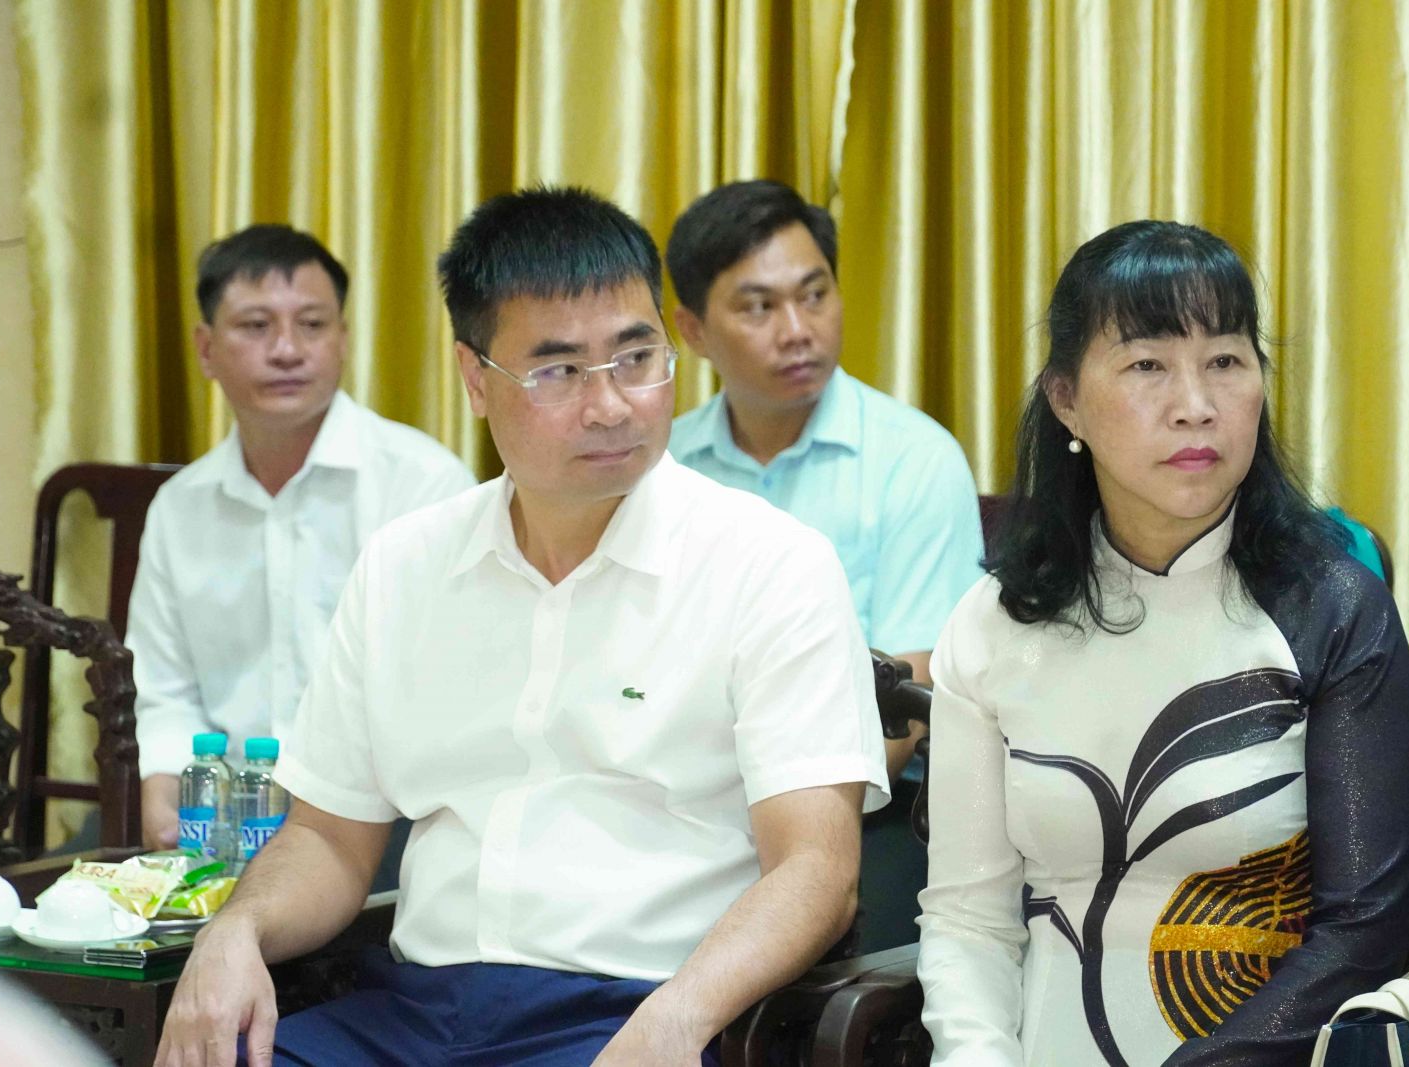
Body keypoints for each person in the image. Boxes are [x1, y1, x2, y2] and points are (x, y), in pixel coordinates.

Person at [153, 187, 889, 1067]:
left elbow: (818, 869)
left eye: (636, 357)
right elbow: (328, 839)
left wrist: (676, 1019)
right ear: (475, 378)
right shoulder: (404, 566)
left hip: (637, 1010)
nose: (611, 404)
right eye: (558, 371)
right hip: (412, 1012)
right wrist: (235, 929)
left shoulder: (771, 565)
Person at [916, 220, 1409, 1065]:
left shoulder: (1333, 609)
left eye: (1225, 360)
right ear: (1065, 399)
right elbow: (970, 917)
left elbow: (1362, 931)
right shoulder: (996, 621)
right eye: (1148, 365)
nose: (1195, 403)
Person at [666, 179, 983, 950]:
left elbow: (911, 688)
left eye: (815, 295)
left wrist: (792, 826)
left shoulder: (913, 459)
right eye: (758, 307)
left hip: (866, 810)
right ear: (693, 330)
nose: (797, 330)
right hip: (681, 811)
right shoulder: (662, 467)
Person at [128, 225, 476, 860]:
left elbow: (446, 689)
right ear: (206, 349)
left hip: (383, 821)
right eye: (256, 326)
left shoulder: (423, 483)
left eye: (312, 325)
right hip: (223, 814)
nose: (287, 350)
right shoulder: (180, 508)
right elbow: (165, 688)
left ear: (343, 339)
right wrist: (165, 784)